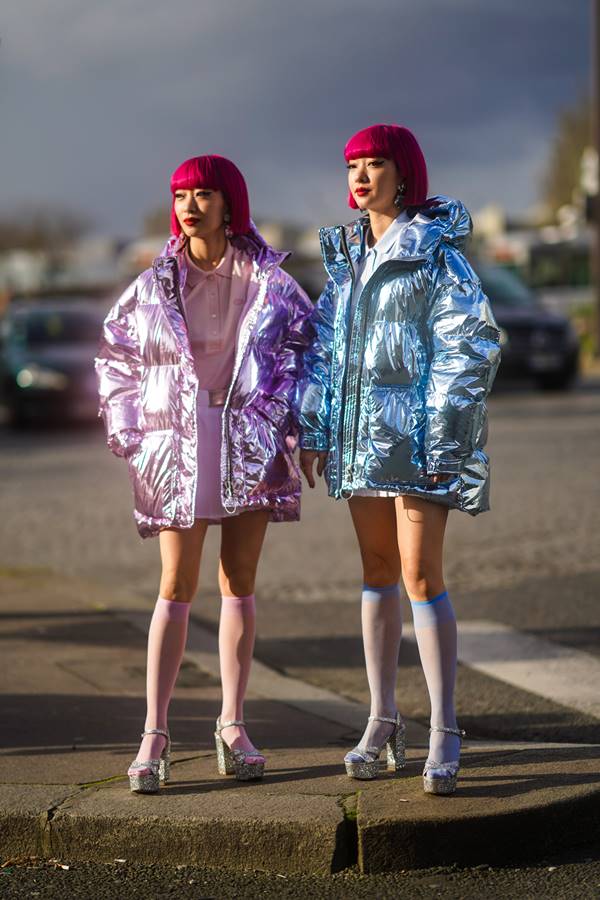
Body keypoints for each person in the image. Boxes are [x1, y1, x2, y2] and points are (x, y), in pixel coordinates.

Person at [96, 154, 313, 793]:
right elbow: (116, 355)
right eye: (181, 194)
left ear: (228, 203)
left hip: (248, 440)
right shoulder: (153, 283)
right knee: (175, 584)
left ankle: (232, 725)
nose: (190, 205)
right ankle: (155, 734)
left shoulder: (270, 281)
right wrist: (130, 434)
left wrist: (287, 420)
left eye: (203, 193)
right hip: (175, 447)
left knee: (239, 583)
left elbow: (305, 352)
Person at [299, 124, 501, 795]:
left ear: (403, 171)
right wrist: (316, 426)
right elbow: (326, 348)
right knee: (378, 571)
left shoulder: (437, 252)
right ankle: (382, 721)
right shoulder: (347, 258)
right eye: (352, 164)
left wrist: (445, 440)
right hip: (363, 444)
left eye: (374, 163)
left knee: (421, 573)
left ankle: (445, 728)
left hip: (418, 443)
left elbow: (468, 345)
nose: (360, 176)